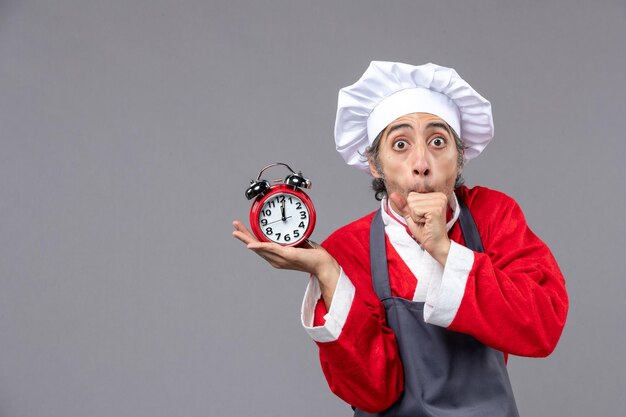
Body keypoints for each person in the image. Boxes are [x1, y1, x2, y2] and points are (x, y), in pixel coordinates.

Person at [233, 61, 568, 416]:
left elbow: (541, 328)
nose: (421, 162)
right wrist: (328, 272)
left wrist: (444, 249)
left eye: (438, 142)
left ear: (459, 159)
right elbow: (373, 393)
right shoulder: (349, 246)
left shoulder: (492, 215)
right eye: (401, 144)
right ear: (376, 165)